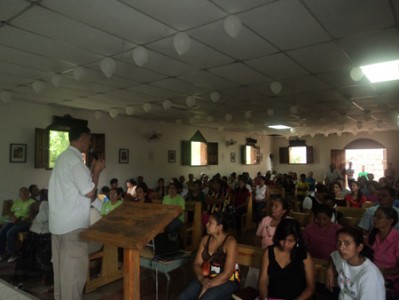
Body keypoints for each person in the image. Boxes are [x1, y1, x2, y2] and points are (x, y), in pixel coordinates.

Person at [48, 125, 105, 300]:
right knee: (72, 282)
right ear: (83, 138)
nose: (89, 143)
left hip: (59, 228)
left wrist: (91, 171)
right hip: (73, 230)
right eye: (89, 139)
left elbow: (81, 185)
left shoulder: (63, 158)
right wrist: (96, 171)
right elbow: (90, 192)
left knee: (62, 280)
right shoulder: (74, 160)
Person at [178, 212, 239, 300]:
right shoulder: (205, 240)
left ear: (220, 227)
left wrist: (206, 286)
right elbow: (197, 263)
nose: (206, 224)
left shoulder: (230, 243)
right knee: (183, 297)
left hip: (227, 281)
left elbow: (227, 274)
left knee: (205, 298)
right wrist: (202, 279)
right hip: (207, 277)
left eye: (210, 222)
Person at [258, 218, 315, 300]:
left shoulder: (304, 256)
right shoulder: (268, 252)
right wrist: (264, 297)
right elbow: (263, 280)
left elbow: (310, 287)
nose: (285, 244)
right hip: (273, 297)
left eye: (290, 240)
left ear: (297, 240)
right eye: (282, 239)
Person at [326, 227, 385, 299]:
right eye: (339, 242)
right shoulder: (342, 257)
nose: (341, 248)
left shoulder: (370, 276)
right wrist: (330, 268)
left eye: (347, 243)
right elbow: (333, 256)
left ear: (359, 247)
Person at [14, 189, 52, 284]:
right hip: (40, 234)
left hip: (39, 233)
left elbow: (32, 219)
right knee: (38, 253)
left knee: (39, 253)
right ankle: (41, 277)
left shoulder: (35, 205)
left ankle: (39, 275)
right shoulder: (38, 205)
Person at [367, 206, 399, 298]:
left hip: (390, 280)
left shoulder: (397, 239)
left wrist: (383, 272)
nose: (375, 219)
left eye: (379, 217)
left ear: (390, 221)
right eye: (375, 216)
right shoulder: (374, 235)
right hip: (373, 275)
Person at [0, 187, 36, 263]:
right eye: (21, 191)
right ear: (19, 194)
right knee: (2, 232)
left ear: (28, 193)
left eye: (25, 191)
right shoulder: (17, 201)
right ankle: (2, 253)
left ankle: (13, 254)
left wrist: (23, 219)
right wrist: (13, 218)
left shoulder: (32, 202)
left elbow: (32, 215)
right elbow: (11, 212)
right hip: (14, 221)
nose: (23, 193)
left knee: (10, 232)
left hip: (25, 222)